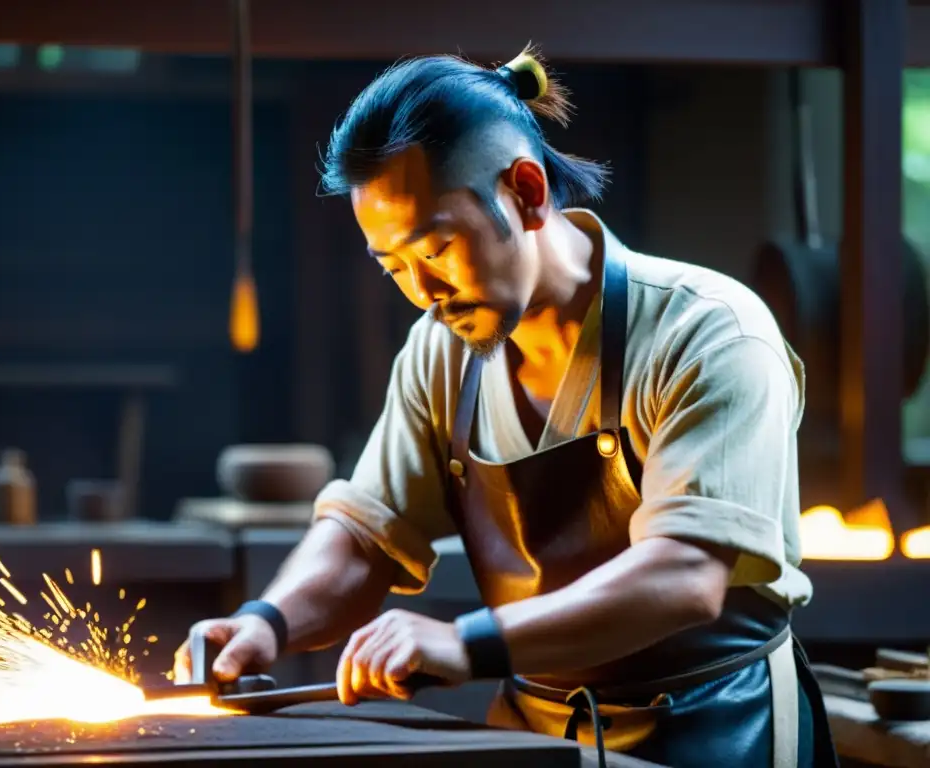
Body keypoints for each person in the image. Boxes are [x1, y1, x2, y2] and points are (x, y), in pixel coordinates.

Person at [175, 47, 838, 768]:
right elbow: (366, 537)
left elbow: (684, 575)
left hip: (715, 727)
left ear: (526, 191)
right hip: (534, 735)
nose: (422, 290)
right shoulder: (441, 351)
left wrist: (467, 643)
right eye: (394, 266)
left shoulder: (707, 331)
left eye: (437, 248)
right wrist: (265, 623)